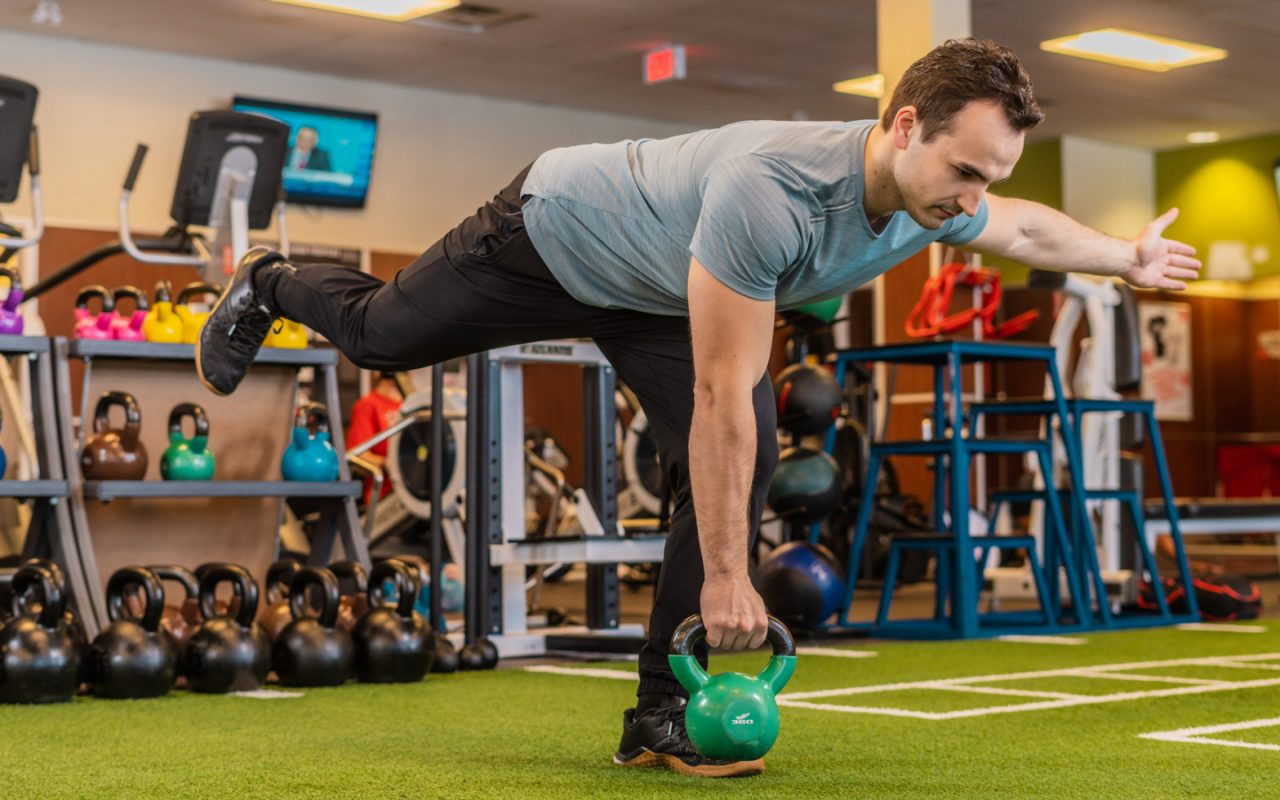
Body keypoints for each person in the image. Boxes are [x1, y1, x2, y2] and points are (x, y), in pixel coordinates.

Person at [194, 38, 1201, 777]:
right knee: (383, 337)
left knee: (746, 460)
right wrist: (729, 575)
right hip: (554, 232)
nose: (970, 196)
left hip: (657, 289)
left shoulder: (946, 195)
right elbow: (722, 391)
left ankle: (658, 713)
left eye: (986, 176)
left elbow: (1022, 225)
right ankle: (270, 277)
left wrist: (1125, 257)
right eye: (962, 170)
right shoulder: (772, 191)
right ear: (902, 127)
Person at [346, 370, 403, 505]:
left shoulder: (411, 405)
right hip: (384, 498)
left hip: (412, 493)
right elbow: (356, 455)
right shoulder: (368, 405)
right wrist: (385, 463)